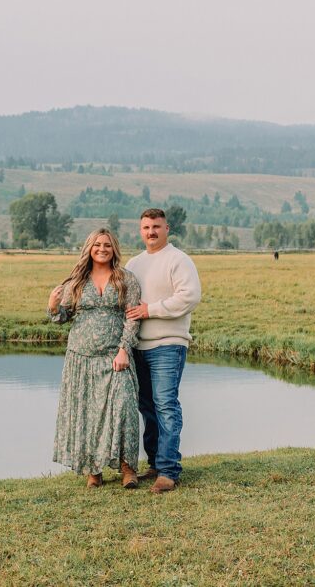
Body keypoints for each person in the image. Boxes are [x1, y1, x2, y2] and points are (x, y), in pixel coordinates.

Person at [48, 228, 142, 489]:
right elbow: (61, 318)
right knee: (87, 413)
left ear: (114, 249)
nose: (102, 249)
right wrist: (53, 305)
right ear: (89, 248)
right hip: (81, 358)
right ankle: (93, 470)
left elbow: (132, 317)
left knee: (124, 409)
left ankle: (128, 468)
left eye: (107, 245)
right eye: (97, 244)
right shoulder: (76, 282)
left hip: (115, 356)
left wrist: (125, 349)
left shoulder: (126, 279)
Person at [125, 208, 202, 494]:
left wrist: (150, 310)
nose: (151, 232)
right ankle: (156, 464)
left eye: (156, 227)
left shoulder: (178, 260)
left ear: (167, 229)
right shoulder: (134, 263)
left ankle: (169, 471)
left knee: (166, 405)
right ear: (140, 230)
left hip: (168, 344)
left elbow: (189, 297)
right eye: (146, 227)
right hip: (139, 347)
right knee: (147, 407)